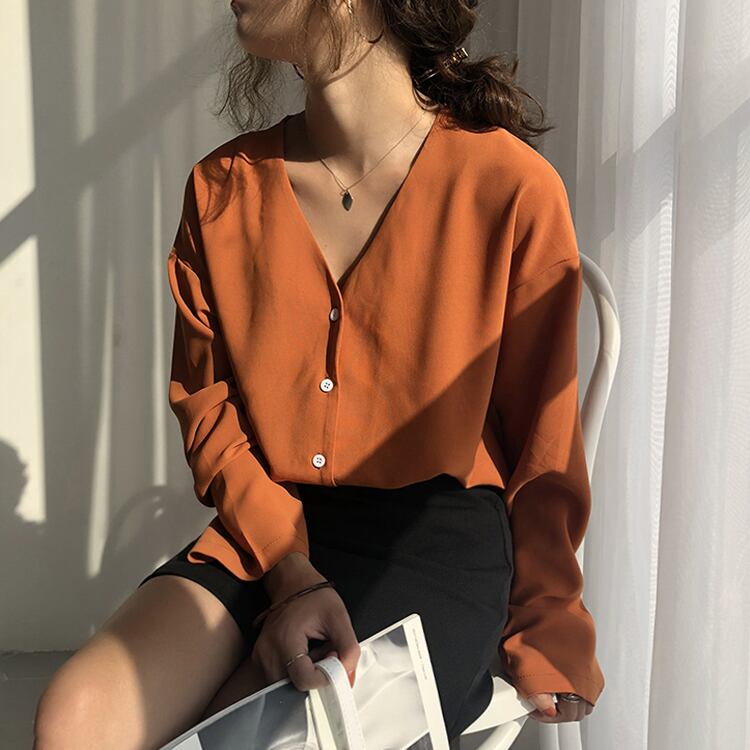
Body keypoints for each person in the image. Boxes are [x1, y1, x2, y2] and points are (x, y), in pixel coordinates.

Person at [34, 0, 605, 747]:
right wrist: (290, 570)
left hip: (430, 542)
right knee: (75, 720)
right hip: (263, 530)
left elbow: (544, 438)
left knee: (254, 736)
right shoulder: (223, 189)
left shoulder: (510, 188)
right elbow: (208, 410)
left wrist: (550, 617)